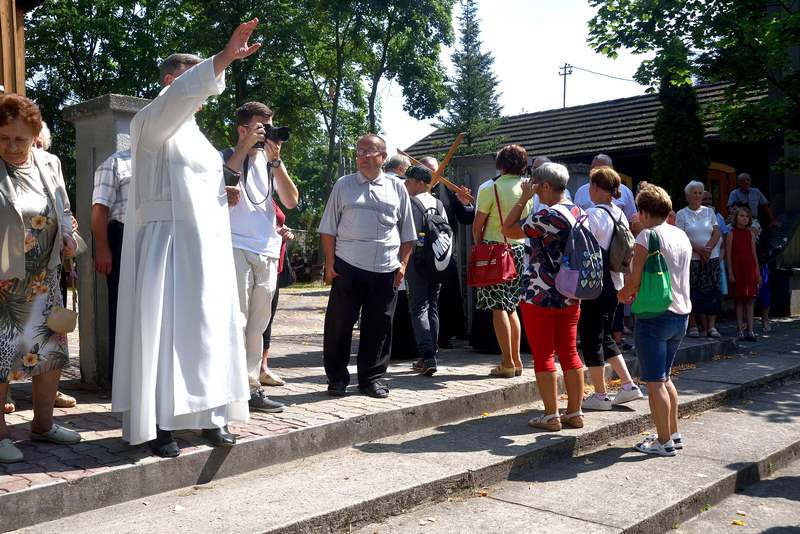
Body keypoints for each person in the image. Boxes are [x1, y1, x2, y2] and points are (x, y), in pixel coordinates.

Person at [112, 20, 263, 457]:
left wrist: (221, 195)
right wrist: (225, 57)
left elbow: (198, 184)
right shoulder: (150, 122)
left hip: (206, 246)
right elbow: (183, 96)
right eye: (193, 78)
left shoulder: (197, 138)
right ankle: (160, 423)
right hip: (167, 246)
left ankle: (209, 416)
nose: (202, 89)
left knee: (209, 330)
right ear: (170, 82)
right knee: (166, 335)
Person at [0, 94, 82, 463]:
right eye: (4, 138)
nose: (12, 146)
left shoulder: (49, 163)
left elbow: (62, 207)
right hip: (4, 278)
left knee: (50, 351)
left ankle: (43, 425)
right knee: (2, 354)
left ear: (35, 136)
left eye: (20, 139)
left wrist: (68, 233)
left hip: (44, 276)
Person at [318, 134, 416, 399]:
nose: (361, 156)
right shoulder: (344, 185)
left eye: (368, 151)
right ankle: (336, 379)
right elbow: (328, 228)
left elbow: (408, 234)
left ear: (382, 157)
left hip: (385, 267)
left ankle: (372, 379)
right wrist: (330, 263)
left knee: (379, 326)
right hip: (347, 265)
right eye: (359, 151)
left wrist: (402, 265)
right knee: (339, 324)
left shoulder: (397, 188)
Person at [223, 101, 298, 403]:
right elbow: (223, 181)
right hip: (235, 245)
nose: (268, 133)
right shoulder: (225, 156)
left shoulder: (270, 163)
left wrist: (276, 162)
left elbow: (291, 201)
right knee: (236, 321)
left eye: (270, 127)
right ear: (242, 129)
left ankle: (251, 387)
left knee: (257, 325)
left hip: (267, 250)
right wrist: (245, 146)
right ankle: (229, 389)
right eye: (261, 128)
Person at [501, 162, 585, 431]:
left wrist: (523, 199)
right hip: (571, 292)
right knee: (570, 351)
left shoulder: (546, 216)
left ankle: (551, 415)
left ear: (546, 186)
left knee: (544, 354)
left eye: (535, 185)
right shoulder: (578, 211)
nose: (533, 189)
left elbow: (508, 228)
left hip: (540, 293)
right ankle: (575, 412)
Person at [619, 184, 692, 457]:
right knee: (665, 377)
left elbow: (634, 280)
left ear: (644, 212)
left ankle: (663, 442)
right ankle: (673, 433)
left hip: (654, 316)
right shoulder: (680, 234)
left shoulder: (647, 236)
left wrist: (622, 294)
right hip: (681, 314)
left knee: (654, 381)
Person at [578, 167, 643, 411]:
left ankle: (600, 395)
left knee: (591, 338)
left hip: (595, 285)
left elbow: (582, 248)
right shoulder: (620, 214)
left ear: (595, 187)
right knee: (605, 336)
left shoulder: (592, 214)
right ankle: (628, 385)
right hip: (615, 284)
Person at [473, 145, 532, 378]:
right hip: (518, 250)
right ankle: (516, 361)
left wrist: (479, 246)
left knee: (498, 308)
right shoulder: (527, 189)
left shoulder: (491, 188)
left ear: (500, 164)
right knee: (511, 306)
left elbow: (477, 226)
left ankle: (506, 363)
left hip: (494, 250)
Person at [421, 155, 474, 349]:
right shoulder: (412, 189)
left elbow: (466, 218)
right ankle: (422, 337)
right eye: (426, 170)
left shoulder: (448, 190)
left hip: (443, 251)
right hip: (419, 252)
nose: (431, 174)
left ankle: (444, 335)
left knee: (445, 295)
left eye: (435, 170)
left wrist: (464, 203)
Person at [403, 165, 449, 376]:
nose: (406, 184)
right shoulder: (439, 204)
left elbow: (406, 235)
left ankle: (427, 356)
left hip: (417, 261)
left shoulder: (411, 203)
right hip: (437, 262)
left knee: (418, 307)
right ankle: (432, 353)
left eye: (409, 181)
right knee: (432, 306)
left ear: (420, 183)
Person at [91, 149, 131, 384]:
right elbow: (100, 209)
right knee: (121, 308)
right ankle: (119, 380)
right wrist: (103, 249)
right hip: (121, 237)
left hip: (152, 238)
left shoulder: (161, 159)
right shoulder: (115, 162)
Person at [675, 181, 722, 338]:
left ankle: (711, 327)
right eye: (694, 192)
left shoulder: (709, 212)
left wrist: (707, 250)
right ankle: (693, 325)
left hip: (711, 257)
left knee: (712, 291)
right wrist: (699, 250)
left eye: (700, 192)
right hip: (691, 259)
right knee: (692, 291)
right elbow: (681, 236)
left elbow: (716, 232)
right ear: (688, 195)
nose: (697, 195)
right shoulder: (681, 214)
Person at [260, 201, 295, 387]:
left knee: (267, 319)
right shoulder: (250, 195)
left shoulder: (269, 197)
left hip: (275, 269)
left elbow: (276, 224)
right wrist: (276, 232)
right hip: (259, 266)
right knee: (256, 321)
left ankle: (262, 367)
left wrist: (284, 232)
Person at [726, 206, 761, 341]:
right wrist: (730, 273)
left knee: (750, 300)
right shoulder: (731, 234)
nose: (744, 218)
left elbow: (754, 254)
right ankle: (740, 330)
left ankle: (750, 330)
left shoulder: (750, 234)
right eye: (741, 216)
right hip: (738, 270)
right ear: (736, 217)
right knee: (739, 300)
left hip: (749, 269)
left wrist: (757, 272)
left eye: (747, 216)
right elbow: (728, 255)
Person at [573, 154, 637, 221]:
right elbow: (575, 218)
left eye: (599, 169)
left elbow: (632, 220)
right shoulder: (581, 191)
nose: (594, 172)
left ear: (611, 169)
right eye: (592, 168)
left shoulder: (625, 191)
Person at [703, 190, 731, 298]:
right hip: (701, 256)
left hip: (718, 256)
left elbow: (724, 236)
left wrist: (721, 257)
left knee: (717, 290)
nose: (708, 201)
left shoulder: (718, 216)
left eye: (710, 199)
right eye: (705, 199)